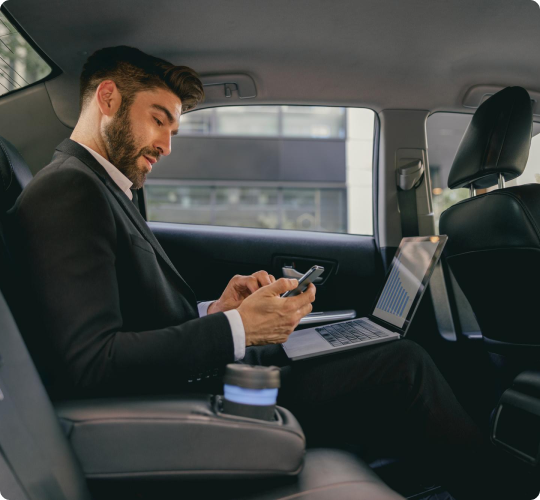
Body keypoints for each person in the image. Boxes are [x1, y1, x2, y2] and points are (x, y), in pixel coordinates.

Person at [7, 46, 534, 499]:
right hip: (192, 402)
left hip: (201, 377)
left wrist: (218, 310)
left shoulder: (104, 188)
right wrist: (240, 330)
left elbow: (130, 318)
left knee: (381, 350)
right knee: (404, 365)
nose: (167, 145)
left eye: (173, 126)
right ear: (108, 98)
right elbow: (89, 364)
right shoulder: (68, 191)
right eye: (159, 118)